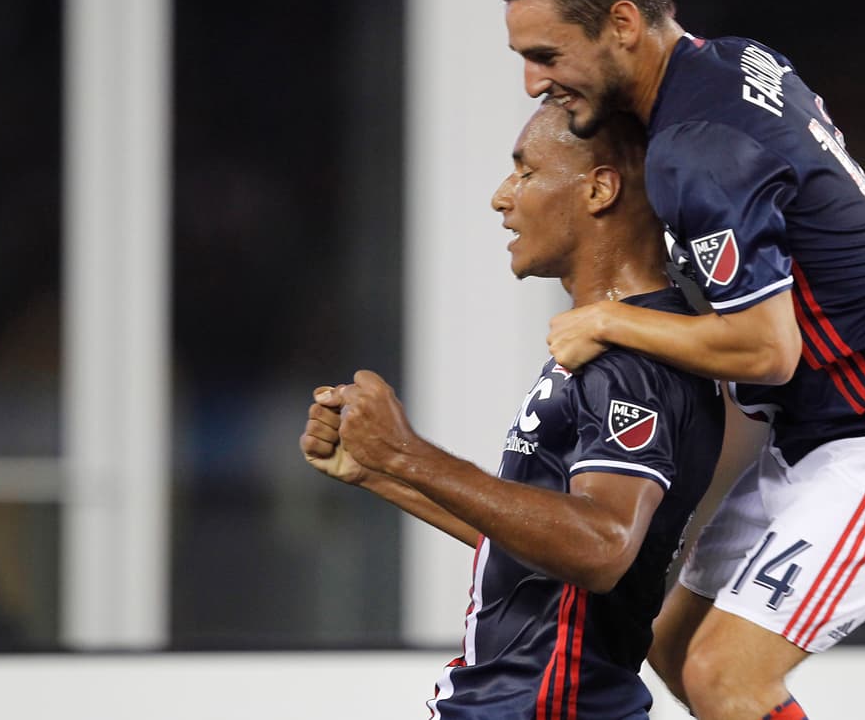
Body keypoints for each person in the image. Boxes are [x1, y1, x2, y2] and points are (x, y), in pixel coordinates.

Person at [496, 0, 865, 720]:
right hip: (822, 434)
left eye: (547, 53)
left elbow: (769, 350)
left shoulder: (697, 151)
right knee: (672, 642)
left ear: (622, 23)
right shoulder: (727, 63)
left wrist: (608, 318)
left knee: (728, 674)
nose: (532, 80)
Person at [300, 102, 726, 719]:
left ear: (600, 188)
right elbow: (543, 550)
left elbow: (601, 548)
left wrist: (407, 452)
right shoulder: (611, 339)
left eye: (526, 173)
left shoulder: (631, 359)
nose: (502, 197)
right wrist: (380, 473)